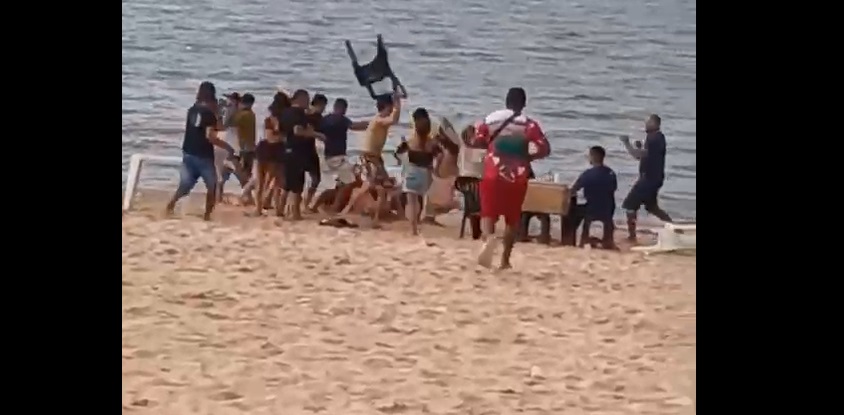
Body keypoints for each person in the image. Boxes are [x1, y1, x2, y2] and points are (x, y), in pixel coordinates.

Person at [472, 87, 551, 269]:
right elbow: (545, 148)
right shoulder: (529, 124)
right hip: (517, 176)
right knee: (512, 218)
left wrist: (491, 148)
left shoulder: (491, 119)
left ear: (506, 101)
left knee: (488, 213)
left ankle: (488, 239)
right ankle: (505, 260)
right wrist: (528, 157)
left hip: (493, 171)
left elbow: (478, 141)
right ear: (524, 104)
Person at [165, 81, 235, 220]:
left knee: (185, 186)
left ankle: (170, 205)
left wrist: (216, 114)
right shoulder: (209, 114)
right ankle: (207, 216)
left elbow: (209, 127)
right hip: (204, 156)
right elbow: (211, 135)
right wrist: (228, 147)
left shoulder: (192, 110)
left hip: (188, 153)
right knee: (212, 186)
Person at [620, 114, 672, 241]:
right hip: (654, 178)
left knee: (629, 205)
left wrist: (627, 143)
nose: (646, 124)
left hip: (649, 179)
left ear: (655, 124)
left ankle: (632, 236)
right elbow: (649, 156)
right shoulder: (656, 137)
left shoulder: (654, 138)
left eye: (648, 122)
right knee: (652, 207)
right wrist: (640, 147)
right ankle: (674, 227)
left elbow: (638, 156)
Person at [312, 98, 370, 213]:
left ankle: (315, 205)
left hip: (328, 155)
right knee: (348, 182)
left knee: (338, 184)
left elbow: (317, 132)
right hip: (338, 157)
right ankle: (335, 207)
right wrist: (370, 124)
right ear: (343, 108)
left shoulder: (325, 119)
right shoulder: (341, 119)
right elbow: (354, 126)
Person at [278, 89, 325, 220]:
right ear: (301, 99)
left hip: (287, 149)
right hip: (298, 151)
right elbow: (297, 130)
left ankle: (280, 210)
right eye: (307, 100)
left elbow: (281, 132)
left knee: (288, 184)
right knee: (298, 185)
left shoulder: (285, 112)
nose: (308, 103)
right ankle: (295, 213)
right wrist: (317, 134)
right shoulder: (298, 113)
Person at [360, 89, 402, 227]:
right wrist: (397, 102)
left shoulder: (380, 120)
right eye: (391, 107)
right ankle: (375, 218)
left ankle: (385, 215)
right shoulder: (378, 120)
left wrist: (396, 103)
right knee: (380, 188)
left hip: (376, 157)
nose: (391, 110)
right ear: (387, 106)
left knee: (385, 185)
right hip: (370, 158)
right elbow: (393, 119)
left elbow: (393, 120)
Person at [395, 108, 439, 235]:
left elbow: (397, 155)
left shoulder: (409, 143)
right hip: (425, 176)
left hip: (411, 174)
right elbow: (438, 155)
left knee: (411, 202)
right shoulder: (432, 144)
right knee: (420, 199)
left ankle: (413, 229)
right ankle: (419, 221)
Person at [571, 146, 618, 249]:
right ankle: (608, 240)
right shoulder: (611, 173)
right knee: (607, 214)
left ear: (593, 157)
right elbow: (613, 189)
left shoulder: (587, 174)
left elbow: (574, 189)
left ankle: (580, 240)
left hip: (591, 209)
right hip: (608, 209)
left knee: (572, 213)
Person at [302, 93, 329, 210]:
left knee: (314, 179)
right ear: (319, 104)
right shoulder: (312, 116)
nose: (324, 109)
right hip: (305, 150)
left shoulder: (306, 114)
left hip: (308, 149)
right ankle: (305, 203)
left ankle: (305, 203)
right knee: (314, 179)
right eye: (323, 106)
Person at [233, 93, 257, 203]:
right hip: (250, 146)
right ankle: (248, 196)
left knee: (243, 173)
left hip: (243, 148)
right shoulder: (251, 114)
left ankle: (245, 195)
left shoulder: (242, 115)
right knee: (247, 172)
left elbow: (230, 124)